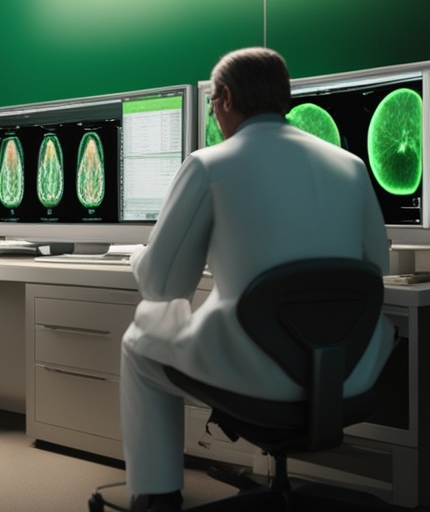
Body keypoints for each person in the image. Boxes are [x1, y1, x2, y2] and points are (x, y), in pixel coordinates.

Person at [119, 47, 397, 512]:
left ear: (225, 97)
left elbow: (162, 287)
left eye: (212, 103)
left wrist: (137, 257)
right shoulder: (351, 165)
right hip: (347, 373)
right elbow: (378, 270)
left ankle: (157, 495)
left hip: (258, 377)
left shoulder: (209, 164)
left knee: (141, 336)